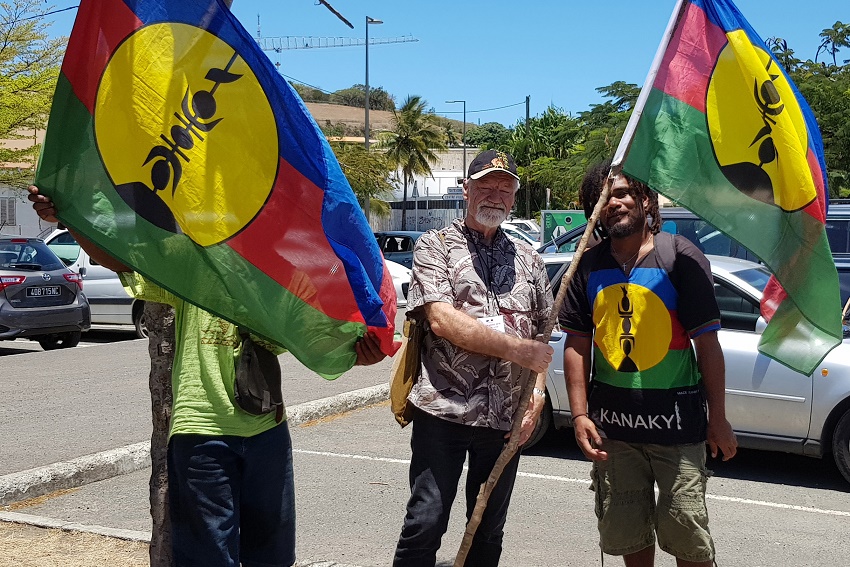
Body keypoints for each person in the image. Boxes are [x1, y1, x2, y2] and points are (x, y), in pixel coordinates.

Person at [28, 186, 386, 567]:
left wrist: (359, 353)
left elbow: (314, 339)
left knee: (273, 555)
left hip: (266, 428)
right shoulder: (192, 263)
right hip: (200, 429)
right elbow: (122, 259)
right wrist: (68, 218)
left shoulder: (286, 273)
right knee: (208, 556)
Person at [559, 159, 738, 567]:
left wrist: (719, 418)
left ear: (645, 200)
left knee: (688, 539)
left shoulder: (680, 256)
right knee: (628, 537)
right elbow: (576, 344)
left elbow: (708, 345)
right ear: (594, 209)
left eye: (623, 192)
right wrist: (580, 413)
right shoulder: (588, 265)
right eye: (605, 196)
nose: (615, 202)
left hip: (678, 429)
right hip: (613, 434)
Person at [393, 150, 555, 567]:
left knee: (487, 529)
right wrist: (516, 350)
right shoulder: (435, 246)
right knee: (425, 522)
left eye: (504, 189)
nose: (494, 196)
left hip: (505, 418)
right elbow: (442, 320)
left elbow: (542, 335)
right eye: (485, 186)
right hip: (444, 409)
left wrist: (536, 396)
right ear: (466, 190)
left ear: (515, 199)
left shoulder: (529, 259)